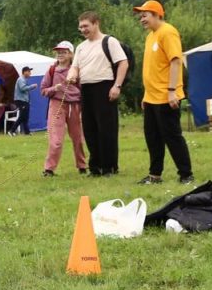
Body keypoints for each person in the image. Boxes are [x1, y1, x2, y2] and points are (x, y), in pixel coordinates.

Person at [133, 0, 194, 185]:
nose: (141, 19)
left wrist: (172, 91)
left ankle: (186, 174)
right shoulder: (151, 36)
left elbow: (176, 61)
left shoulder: (168, 32)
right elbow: (152, 68)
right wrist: (145, 95)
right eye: (140, 16)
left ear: (157, 14)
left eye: (145, 15)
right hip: (151, 97)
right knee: (152, 138)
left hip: (166, 96)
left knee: (172, 136)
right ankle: (155, 175)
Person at [66, 11, 128, 176]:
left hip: (105, 87)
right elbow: (75, 66)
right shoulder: (80, 47)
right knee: (89, 128)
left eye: (86, 26)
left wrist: (117, 86)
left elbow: (123, 63)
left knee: (106, 129)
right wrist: (71, 74)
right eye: (80, 27)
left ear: (96, 23)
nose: (83, 30)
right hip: (86, 88)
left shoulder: (109, 41)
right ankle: (95, 167)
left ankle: (109, 167)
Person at [39, 41, 86, 177]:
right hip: (57, 105)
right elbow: (43, 90)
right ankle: (49, 170)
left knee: (78, 138)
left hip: (75, 106)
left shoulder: (77, 70)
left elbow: (83, 90)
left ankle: (82, 166)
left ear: (71, 54)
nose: (60, 54)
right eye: (58, 51)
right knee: (56, 140)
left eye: (64, 51)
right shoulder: (51, 70)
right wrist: (55, 88)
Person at [12, 67, 37, 135]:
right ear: (25, 72)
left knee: (25, 117)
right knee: (22, 116)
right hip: (21, 101)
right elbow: (23, 88)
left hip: (24, 101)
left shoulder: (23, 79)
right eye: (29, 72)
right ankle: (12, 131)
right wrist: (32, 86)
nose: (30, 73)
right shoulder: (21, 79)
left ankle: (27, 132)